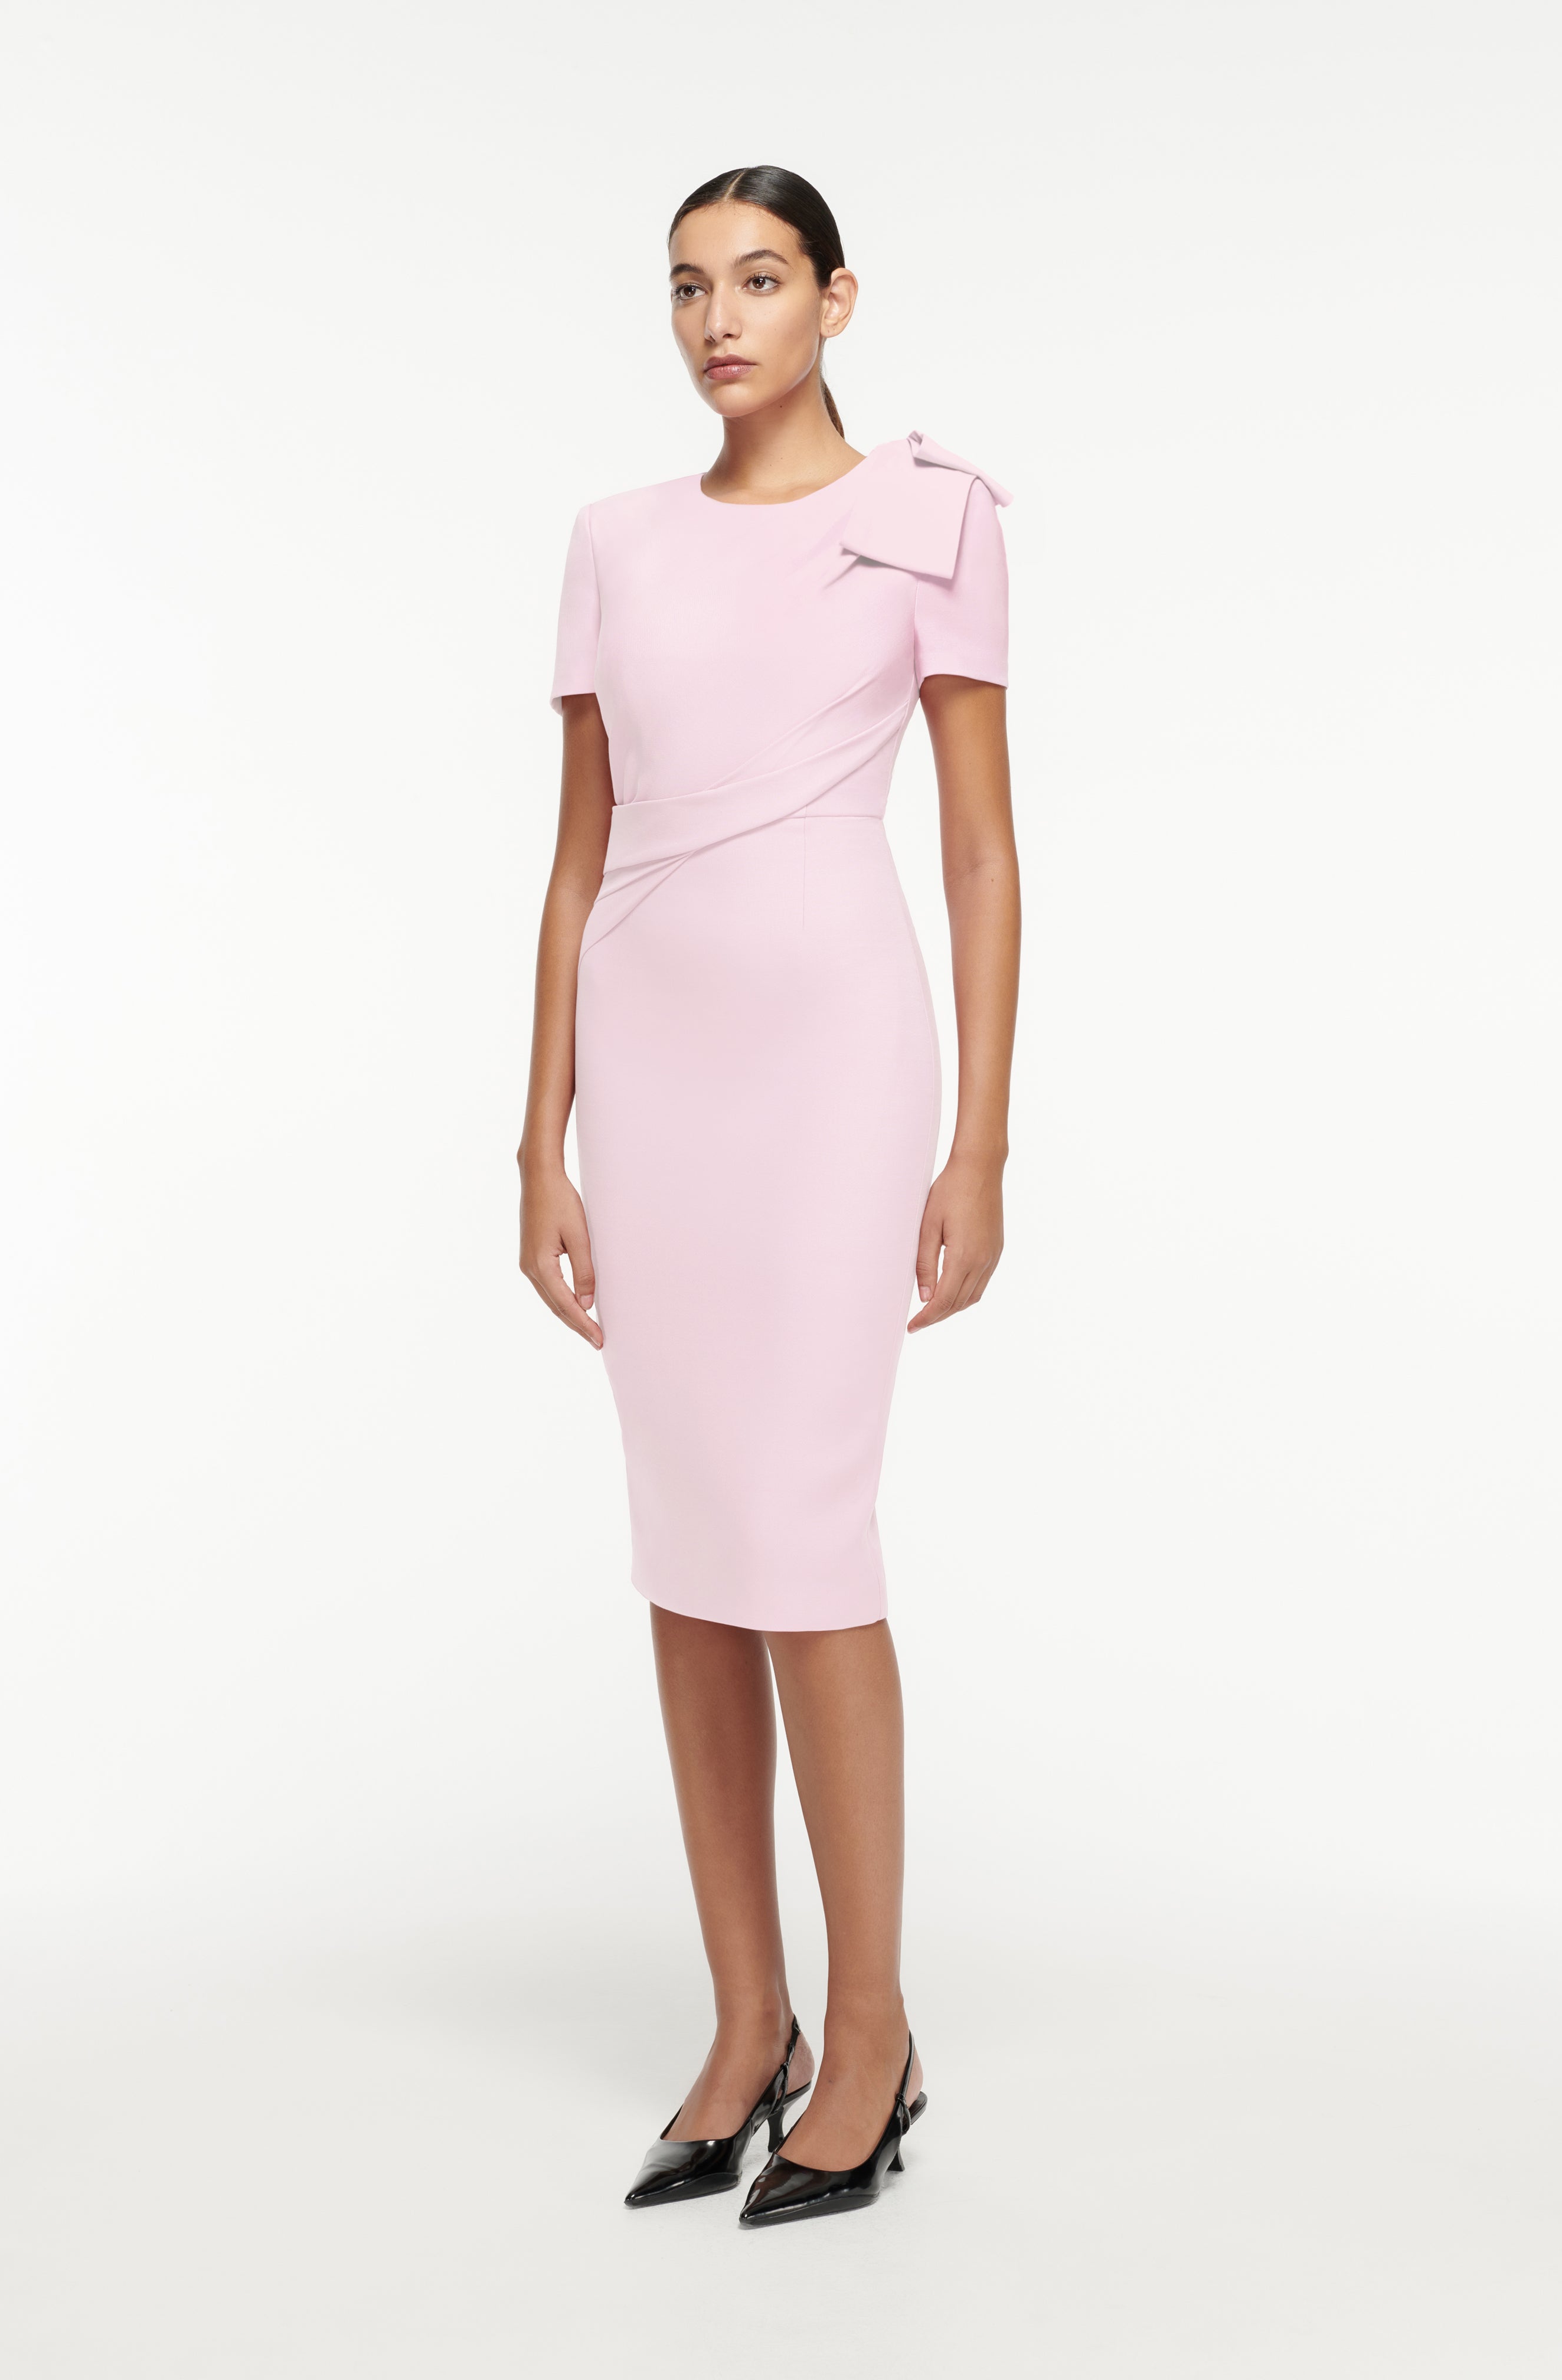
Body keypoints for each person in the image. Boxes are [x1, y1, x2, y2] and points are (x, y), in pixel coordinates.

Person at [517, 165, 1020, 2226]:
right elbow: (577, 854)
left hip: (833, 1068)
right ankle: (751, 2025)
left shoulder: (932, 515)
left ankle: (874, 2032)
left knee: (803, 1534)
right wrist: (536, 1134)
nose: (719, 319)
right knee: (691, 1543)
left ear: (836, 299)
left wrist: (981, 1139)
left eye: (758, 280)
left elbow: (979, 848)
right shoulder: (615, 541)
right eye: (686, 289)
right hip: (651, 1075)